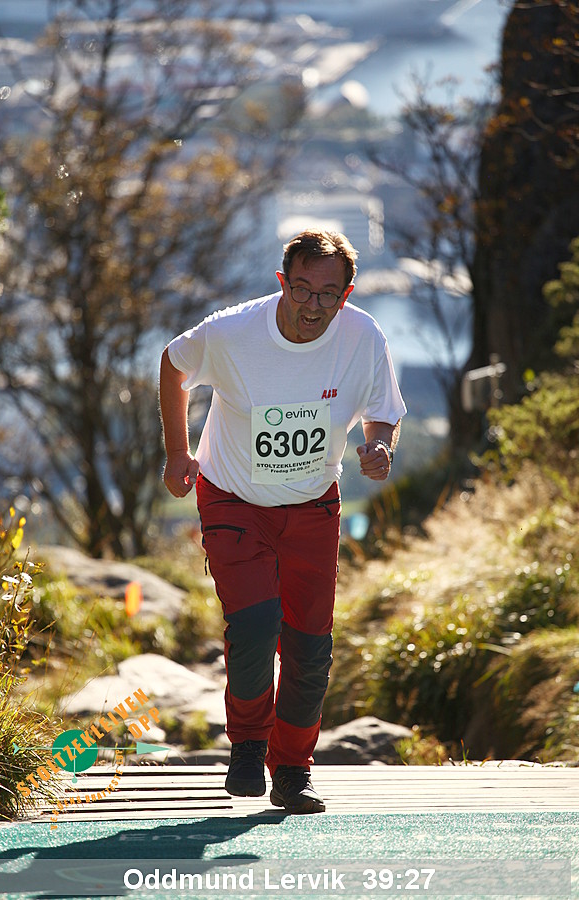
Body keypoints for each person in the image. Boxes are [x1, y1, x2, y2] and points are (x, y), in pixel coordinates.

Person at [159, 229, 406, 814]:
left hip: (313, 506)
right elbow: (173, 364)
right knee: (253, 626)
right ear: (282, 283)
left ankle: (293, 770)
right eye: (302, 289)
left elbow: (382, 411)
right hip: (234, 499)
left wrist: (379, 446)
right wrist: (176, 451)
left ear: (345, 295)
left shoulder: (363, 336)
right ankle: (248, 746)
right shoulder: (233, 332)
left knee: (310, 644)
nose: (313, 305)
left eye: (328, 294)